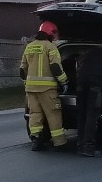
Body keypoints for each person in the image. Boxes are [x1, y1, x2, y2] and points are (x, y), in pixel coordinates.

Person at [21, 20, 69, 151]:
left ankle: (36, 140)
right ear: (51, 33)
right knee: (53, 114)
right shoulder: (50, 46)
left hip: (30, 89)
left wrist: (27, 83)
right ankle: (60, 143)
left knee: (35, 114)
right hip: (47, 89)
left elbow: (22, 69)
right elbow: (55, 67)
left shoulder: (29, 46)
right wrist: (64, 81)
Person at [76, 46, 102, 158]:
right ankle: (88, 148)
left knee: (81, 116)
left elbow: (77, 69)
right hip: (95, 88)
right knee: (91, 117)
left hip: (80, 87)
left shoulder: (83, 53)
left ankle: (80, 147)